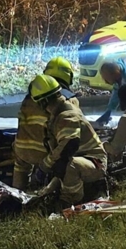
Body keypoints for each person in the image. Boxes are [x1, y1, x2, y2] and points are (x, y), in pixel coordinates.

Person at [29, 74, 108, 206]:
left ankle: (69, 201)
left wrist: (44, 166)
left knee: (69, 164)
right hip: (83, 159)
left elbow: (68, 146)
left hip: (94, 162)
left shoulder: (67, 116)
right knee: (60, 166)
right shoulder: (59, 113)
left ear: (43, 102)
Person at [12, 57, 79, 190]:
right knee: (70, 152)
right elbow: (72, 132)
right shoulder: (68, 99)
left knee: (20, 168)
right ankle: (57, 196)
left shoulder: (31, 95)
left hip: (20, 148)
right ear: (69, 76)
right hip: (44, 152)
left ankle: (16, 197)